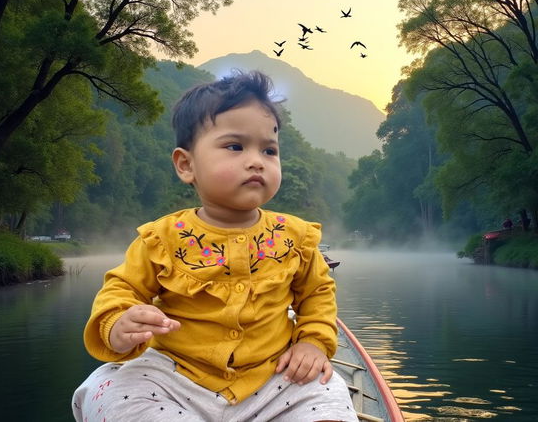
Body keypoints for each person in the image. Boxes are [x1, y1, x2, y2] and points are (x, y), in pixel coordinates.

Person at [72, 71, 357, 422]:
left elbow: (317, 294)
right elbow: (122, 289)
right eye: (235, 146)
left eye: (269, 150)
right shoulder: (160, 238)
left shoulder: (295, 237)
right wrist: (118, 324)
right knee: (115, 391)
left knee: (327, 389)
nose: (256, 160)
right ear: (186, 164)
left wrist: (313, 342)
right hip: (176, 378)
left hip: (272, 377)